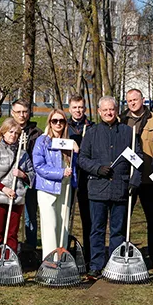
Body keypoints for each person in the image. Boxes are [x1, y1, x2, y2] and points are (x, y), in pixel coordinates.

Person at [78, 96, 142, 278]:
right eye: (105, 110)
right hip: (97, 188)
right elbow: (82, 158)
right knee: (97, 229)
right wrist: (97, 169)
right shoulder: (92, 132)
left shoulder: (128, 132)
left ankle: (115, 264)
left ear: (116, 110)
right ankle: (96, 264)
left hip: (120, 188)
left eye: (111, 109)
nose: (108, 113)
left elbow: (137, 159)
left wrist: (134, 182)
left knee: (118, 229)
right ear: (99, 112)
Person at [120, 88, 153, 269]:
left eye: (135, 99)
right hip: (128, 178)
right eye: (129, 100)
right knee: (124, 218)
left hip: (148, 179)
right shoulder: (122, 120)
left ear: (143, 99)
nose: (132, 103)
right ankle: (123, 253)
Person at [0, 118, 35, 253]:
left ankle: (10, 261)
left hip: (16, 198)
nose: (13, 135)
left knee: (12, 233)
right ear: (3, 133)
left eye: (16, 133)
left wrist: (23, 175)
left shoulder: (23, 154)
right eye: (11, 132)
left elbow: (32, 174)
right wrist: (3, 189)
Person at [32, 108, 78, 256]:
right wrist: (60, 173)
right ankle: (50, 260)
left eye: (61, 121)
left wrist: (76, 151)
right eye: (55, 121)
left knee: (63, 225)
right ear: (50, 123)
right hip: (47, 188)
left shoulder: (69, 142)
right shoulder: (42, 141)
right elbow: (38, 166)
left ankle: (62, 258)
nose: (58, 124)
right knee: (50, 225)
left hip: (65, 186)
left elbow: (74, 166)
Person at [7, 99, 41, 250]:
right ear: (12, 113)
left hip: (29, 180)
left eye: (25, 112)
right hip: (10, 181)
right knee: (11, 214)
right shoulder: (5, 130)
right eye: (18, 112)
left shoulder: (37, 133)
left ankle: (31, 247)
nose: (22, 115)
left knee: (30, 215)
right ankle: (9, 246)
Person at [67, 95, 93, 269]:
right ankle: (64, 252)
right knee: (66, 216)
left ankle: (89, 255)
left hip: (86, 177)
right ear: (70, 109)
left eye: (81, 107)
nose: (78, 110)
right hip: (68, 175)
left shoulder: (91, 127)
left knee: (88, 218)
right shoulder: (63, 126)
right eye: (75, 107)